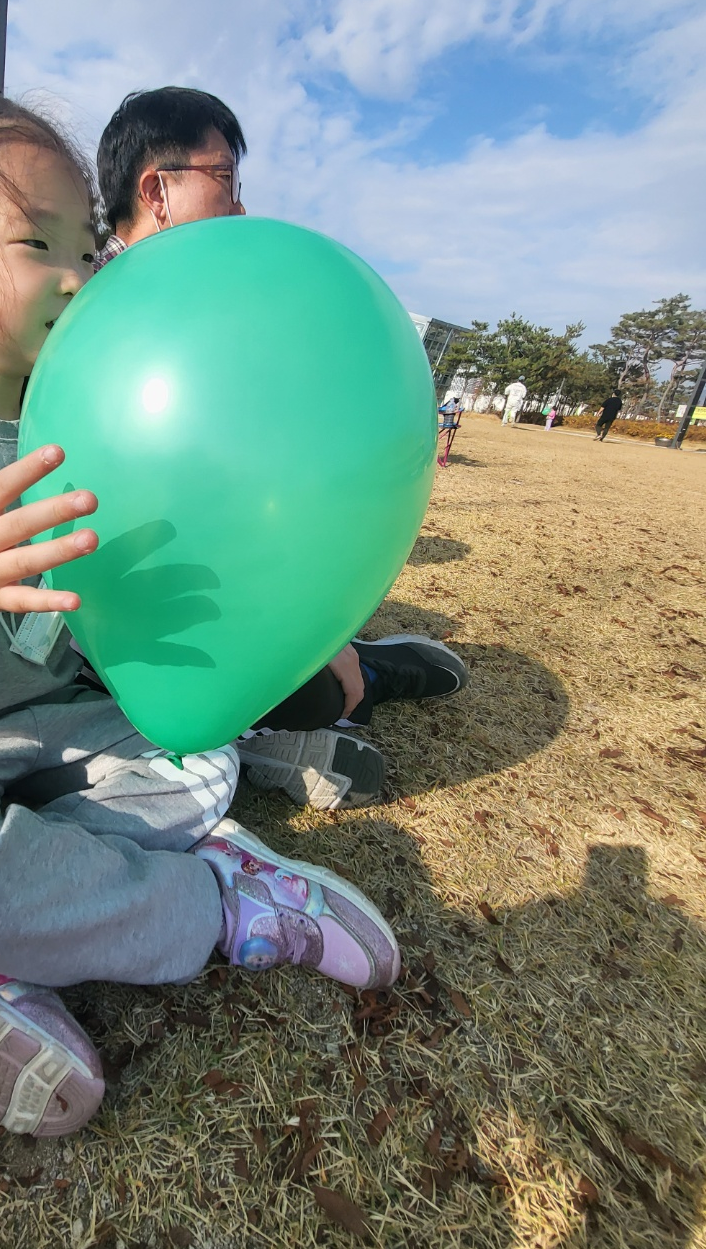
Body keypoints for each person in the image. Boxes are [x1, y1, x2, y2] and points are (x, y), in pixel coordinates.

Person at [0, 94, 402, 1142]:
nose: (79, 275)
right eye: (40, 244)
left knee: (204, 763)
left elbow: (110, 619)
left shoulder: (109, 410)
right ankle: (214, 906)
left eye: (84, 244)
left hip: (65, 727)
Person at [95, 87, 468, 810]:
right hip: (133, 609)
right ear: (157, 190)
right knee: (318, 688)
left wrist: (315, 621)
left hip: (214, 587)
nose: (239, 208)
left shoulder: (218, 315)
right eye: (225, 179)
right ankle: (338, 692)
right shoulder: (96, 322)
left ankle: (344, 673)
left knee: (316, 674)